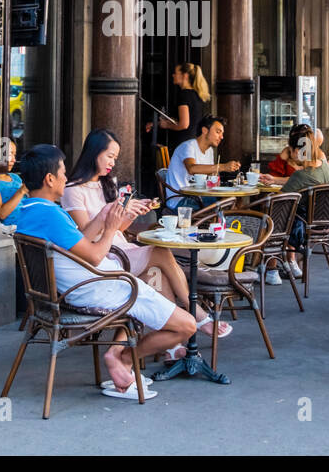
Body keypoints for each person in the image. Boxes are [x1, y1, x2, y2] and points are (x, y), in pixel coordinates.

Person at [12, 145, 197, 395]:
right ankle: (122, 360)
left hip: (81, 287)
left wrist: (102, 217)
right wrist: (111, 229)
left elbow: (79, 243)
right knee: (186, 326)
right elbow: (95, 255)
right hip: (97, 289)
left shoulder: (30, 211)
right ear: (50, 179)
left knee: (146, 281)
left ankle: (119, 359)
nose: (66, 178)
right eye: (63, 173)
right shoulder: (52, 216)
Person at [63, 128, 230, 344]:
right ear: (94, 152)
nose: (113, 162)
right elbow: (85, 237)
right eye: (110, 156)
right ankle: (195, 312)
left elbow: (118, 229)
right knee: (160, 251)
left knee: (157, 275)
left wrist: (131, 213)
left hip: (121, 248)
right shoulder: (73, 190)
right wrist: (109, 212)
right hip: (104, 258)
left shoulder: (107, 184)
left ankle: (171, 347)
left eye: (115, 158)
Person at [272, 124, 329, 283]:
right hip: (326, 224)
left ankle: (271, 270)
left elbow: (279, 201)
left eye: (291, 150)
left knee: (272, 216)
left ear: (297, 151)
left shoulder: (299, 176)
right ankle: (288, 263)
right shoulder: (325, 167)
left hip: (304, 227)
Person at [164, 115, 240, 208]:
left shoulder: (209, 151)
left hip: (199, 196)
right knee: (226, 206)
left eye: (222, 133)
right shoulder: (188, 146)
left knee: (232, 200)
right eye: (218, 132)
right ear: (204, 130)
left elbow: (211, 177)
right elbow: (191, 169)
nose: (222, 137)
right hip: (180, 199)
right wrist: (223, 167)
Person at [145, 63, 209, 150]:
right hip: (193, 143)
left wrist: (166, 125)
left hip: (183, 144)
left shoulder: (184, 95)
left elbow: (184, 124)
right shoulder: (196, 95)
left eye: (176, 73)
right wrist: (157, 124)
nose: (173, 75)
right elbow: (183, 120)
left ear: (185, 76)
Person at [0, 139, 26, 231]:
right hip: (14, 228)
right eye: (10, 155)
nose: (14, 160)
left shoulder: (15, 177)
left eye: (14, 155)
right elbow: (1, 215)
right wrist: (21, 191)